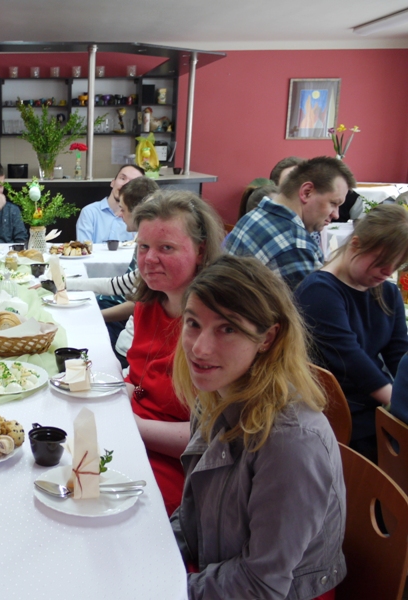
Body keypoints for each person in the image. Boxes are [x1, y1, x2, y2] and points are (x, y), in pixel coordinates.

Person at [171, 255, 345, 600]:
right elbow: (193, 518)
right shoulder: (217, 394)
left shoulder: (292, 443)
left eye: (228, 328)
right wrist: (152, 552)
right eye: (193, 323)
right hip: (222, 574)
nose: (200, 348)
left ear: (267, 338)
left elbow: (261, 584)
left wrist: (160, 589)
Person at [124, 190, 225, 515]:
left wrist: (128, 425)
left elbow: (213, 435)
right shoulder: (149, 304)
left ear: (201, 251)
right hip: (136, 440)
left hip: (183, 468)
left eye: (166, 248)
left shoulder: (217, 326)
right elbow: (139, 382)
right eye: (143, 247)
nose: (149, 259)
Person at [295, 204, 408, 461]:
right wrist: (398, 403)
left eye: (396, 264)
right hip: (336, 412)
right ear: (356, 244)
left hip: (371, 403)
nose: (388, 272)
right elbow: (351, 361)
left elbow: (399, 354)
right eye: (382, 262)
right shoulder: (319, 291)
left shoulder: (387, 292)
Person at [225, 156, 356, 289]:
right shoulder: (295, 247)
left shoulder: (254, 216)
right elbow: (319, 300)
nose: (336, 214)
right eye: (333, 203)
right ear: (306, 192)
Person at [70, 175, 159, 366]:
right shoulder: (144, 243)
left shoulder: (151, 252)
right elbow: (121, 284)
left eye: (123, 209)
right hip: (126, 337)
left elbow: (136, 303)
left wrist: (96, 316)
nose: (119, 214)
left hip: (127, 340)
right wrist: (67, 283)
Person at [76, 164, 144, 243]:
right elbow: (84, 248)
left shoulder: (139, 217)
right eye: (122, 178)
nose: (125, 185)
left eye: (132, 183)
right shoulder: (90, 212)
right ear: (113, 182)